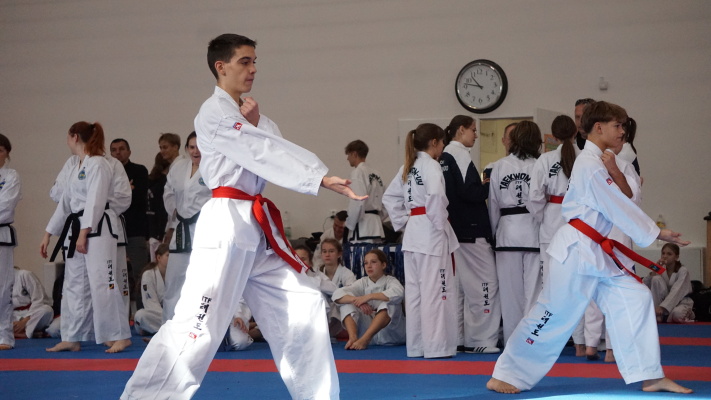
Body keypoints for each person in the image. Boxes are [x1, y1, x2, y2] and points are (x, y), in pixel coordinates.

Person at [121, 33, 365, 400]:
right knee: (198, 324)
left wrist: (258, 120)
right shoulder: (213, 111)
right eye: (245, 62)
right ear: (221, 67)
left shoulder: (245, 113)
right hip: (226, 225)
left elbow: (271, 145)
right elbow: (259, 151)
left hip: (254, 225)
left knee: (304, 304)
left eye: (254, 62)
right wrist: (320, 178)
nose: (253, 69)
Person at [487, 101, 693, 395]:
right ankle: (508, 373)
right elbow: (616, 205)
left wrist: (654, 230)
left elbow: (621, 201)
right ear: (599, 128)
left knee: (636, 298)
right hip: (577, 252)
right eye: (617, 126)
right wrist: (657, 231)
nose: (622, 131)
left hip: (598, 252)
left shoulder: (599, 161)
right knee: (553, 315)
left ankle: (649, 375)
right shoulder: (589, 164)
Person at [40, 121, 132, 354]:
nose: (66, 141)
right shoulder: (75, 165)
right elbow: (65, 203)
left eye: (67, 136)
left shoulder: (98, 164)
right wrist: (48, 233)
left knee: (104, 282)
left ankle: (119, 335)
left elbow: (95, 201)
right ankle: (72, 336)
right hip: (76, 226)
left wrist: (84, 233)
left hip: (97, 228)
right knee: (74, 284)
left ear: (74, 137)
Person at [383, 123, 459, 359]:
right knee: (434, 292)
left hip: (413, 233)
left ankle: (416, 347)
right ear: (434, 142)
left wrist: (405, 220)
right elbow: (435, 196)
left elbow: (389, 197)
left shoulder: (408, 166)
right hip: (430, 233)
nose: (443, 147)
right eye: (442, 142)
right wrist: (438, 223)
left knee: (415, 293)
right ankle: (436, 347)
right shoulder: (431, 165)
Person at [440, 115, 500, 354]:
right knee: (487, 283)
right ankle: (481, 339)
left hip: (457, 228)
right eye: (473, 130)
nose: (476, 135)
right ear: (461, 130)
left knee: (463, 287)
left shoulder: (444, 156)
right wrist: (488, 185)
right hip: (472, 228)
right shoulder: (459, 154)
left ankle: (461, 338)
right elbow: (469, 191)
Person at [488, 121, 542, 345]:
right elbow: (541, 201)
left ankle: (513, 342)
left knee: (510, 295)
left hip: (507, 234)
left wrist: (494, 233)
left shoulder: (500, 166)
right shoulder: (539, 165)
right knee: (534, 293)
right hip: (533, 232)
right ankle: (532, 341)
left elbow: (493, 203)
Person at [161, 131, 212, 323]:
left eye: (199, 147)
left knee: (204, 282)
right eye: (191, 147)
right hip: (181, 228)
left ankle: (200, 327)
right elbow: (168, 191)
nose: (195, 151)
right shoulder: (179, 167)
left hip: (204, 229)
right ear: (186, 149)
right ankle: (168, 328)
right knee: (173, 281)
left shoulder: (214, 168)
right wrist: (174, 210)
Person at [333, 249, 406, 350]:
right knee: (346, 303)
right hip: (367, 329)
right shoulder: (363, 282)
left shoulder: (391, 281)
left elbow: (399, 293)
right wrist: (357, 300)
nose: (369, 266)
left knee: (389, 303)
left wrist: (369, 297)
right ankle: (353, 338)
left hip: (391, 335)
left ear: (383, 265)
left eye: (373, 262)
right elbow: (337, 294)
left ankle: (364, 340)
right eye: (366, 263)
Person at [110, 139, 150, 309]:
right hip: (113, 232)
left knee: (140, 273)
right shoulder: (107, 172)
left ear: (129, 151)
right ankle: (119, 314)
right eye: (114, 150)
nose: (118, 153)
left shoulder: (139, 171)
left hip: (135, 230)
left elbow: (139, 198)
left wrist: (118, 193)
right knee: (115, 275)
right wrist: (126, 189)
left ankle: (142, 312)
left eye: (121, 149)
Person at [0, 133, 21, 351]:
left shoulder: (11, 176)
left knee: (2, 288)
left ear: (7, 153)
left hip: (1, 236)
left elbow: (5, 207)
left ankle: (4, 335)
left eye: (0, 150)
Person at [344, 140, 386, 243]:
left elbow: (357, 201)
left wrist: (349, 224)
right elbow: (386, 200)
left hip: (362, 226)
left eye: (348, 155)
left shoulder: (357, 173)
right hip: (376, 225)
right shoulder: (378, 174)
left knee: (362, 253)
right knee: (376, 252)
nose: (347, 158)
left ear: (354, 154)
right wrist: (379, 218)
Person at [644, 243, 695, 323]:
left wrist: (663, 307)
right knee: (656, 279)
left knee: (677, 315)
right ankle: (658, 314)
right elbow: (644, 284)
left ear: (676, 257)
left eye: (669, 254)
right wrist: (655, 269)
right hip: (662, 304)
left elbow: (676, 291)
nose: (665, 256)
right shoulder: (661, 269)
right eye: (663, 253)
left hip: (680, 302)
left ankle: (687, 314)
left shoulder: (683, 271)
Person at [318, 238, 357, 338]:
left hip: (341, 312)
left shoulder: (347, 274)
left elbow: (352, 295)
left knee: (344, 303)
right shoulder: (317, 273)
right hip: (324, 312)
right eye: (324, 251)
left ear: (339, 254)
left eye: (331, 251)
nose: (327, 254)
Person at [134, 244, 169, 336]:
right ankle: (170, 328)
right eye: (168, 255)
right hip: (156, 314)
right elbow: (150, 303)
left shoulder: (175, 275)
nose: (171, 259)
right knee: (140, 315)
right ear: (159, 257)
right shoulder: (148, 274)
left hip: (170, 314)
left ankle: (158, 330)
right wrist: (167, 317)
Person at [11, 267, 54, 339]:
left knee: (47, 310)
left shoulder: (24, 275)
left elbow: (39, 299)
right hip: (13, 316)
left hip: (31, 315)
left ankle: (25, 333)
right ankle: (30, 332)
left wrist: (24, 321)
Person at [146, 152, 170, 243]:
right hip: (161, 228)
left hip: (148, 227)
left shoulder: (149, 180)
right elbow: (163, 209)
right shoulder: (166, 182)